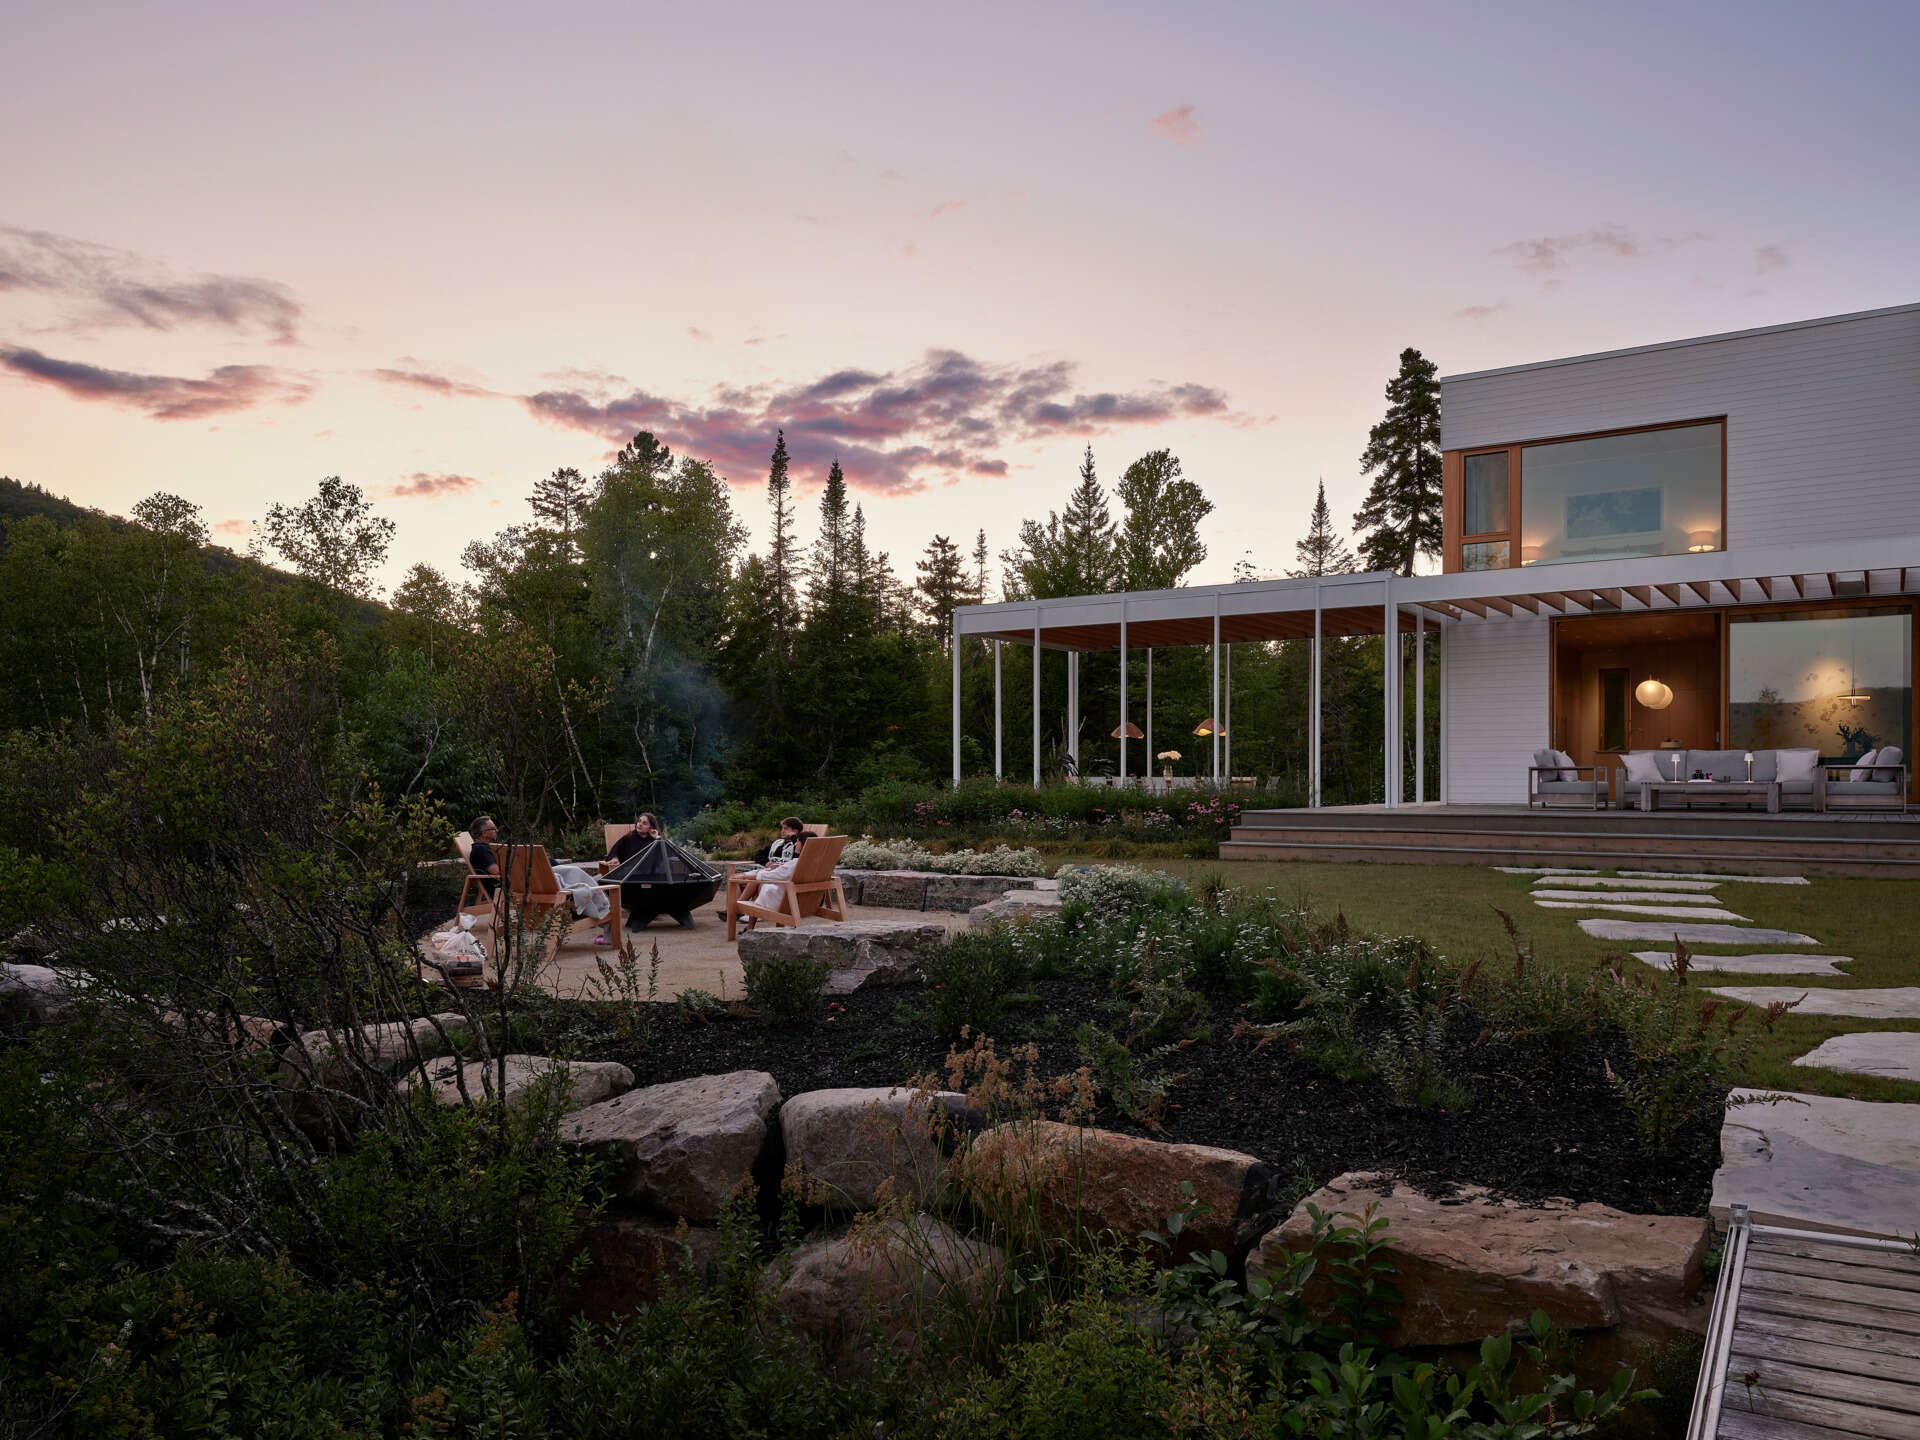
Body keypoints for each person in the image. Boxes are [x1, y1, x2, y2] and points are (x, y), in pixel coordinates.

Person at [735, 816, 805, 931]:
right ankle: (745, 919)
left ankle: (738, 908)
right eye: (782, 828)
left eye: (786, 828)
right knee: (756, 880)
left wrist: (793, 838)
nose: (782, 831)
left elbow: (796, 858)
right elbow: (759, 854)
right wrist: (767, 863)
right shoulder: (777, 843)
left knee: (755, 880)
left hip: (780, 881)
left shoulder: (797, 846)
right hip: (773, 875)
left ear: (795, 831)